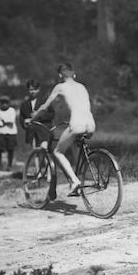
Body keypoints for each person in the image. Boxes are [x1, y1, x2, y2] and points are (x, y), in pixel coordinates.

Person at [31, 63, 96, 196]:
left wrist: (33, 118)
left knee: (58, 152)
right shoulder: (82, 86)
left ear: (60, 75)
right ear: (74, 74)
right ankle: (81, 176)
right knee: (76, 146)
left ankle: (74, 182)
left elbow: (45, 106)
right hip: (91, 124)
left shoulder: (60, 86)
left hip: (77, 123)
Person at [19, 79, 55, 150]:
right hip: (32, 132)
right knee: (34, 151)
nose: (32, 92)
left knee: (43, 150)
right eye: (30, 90)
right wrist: (25, 124)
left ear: (39, 89)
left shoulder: (45, 102)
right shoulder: (24, 104)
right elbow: (21, 118)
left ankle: (46, 160)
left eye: (35, 89)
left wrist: (38, 116)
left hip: (44, 131)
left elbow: (51, 114)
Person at [0, 95, 18, 171]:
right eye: (2, 103)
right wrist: (4, 122)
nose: (4, 105)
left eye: (6, 103)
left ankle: (9, 165)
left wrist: (3, 121)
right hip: (1, 132)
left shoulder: (12, 110)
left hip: (11, 132)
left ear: (8, 103)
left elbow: (11, 121)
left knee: (10, 149)